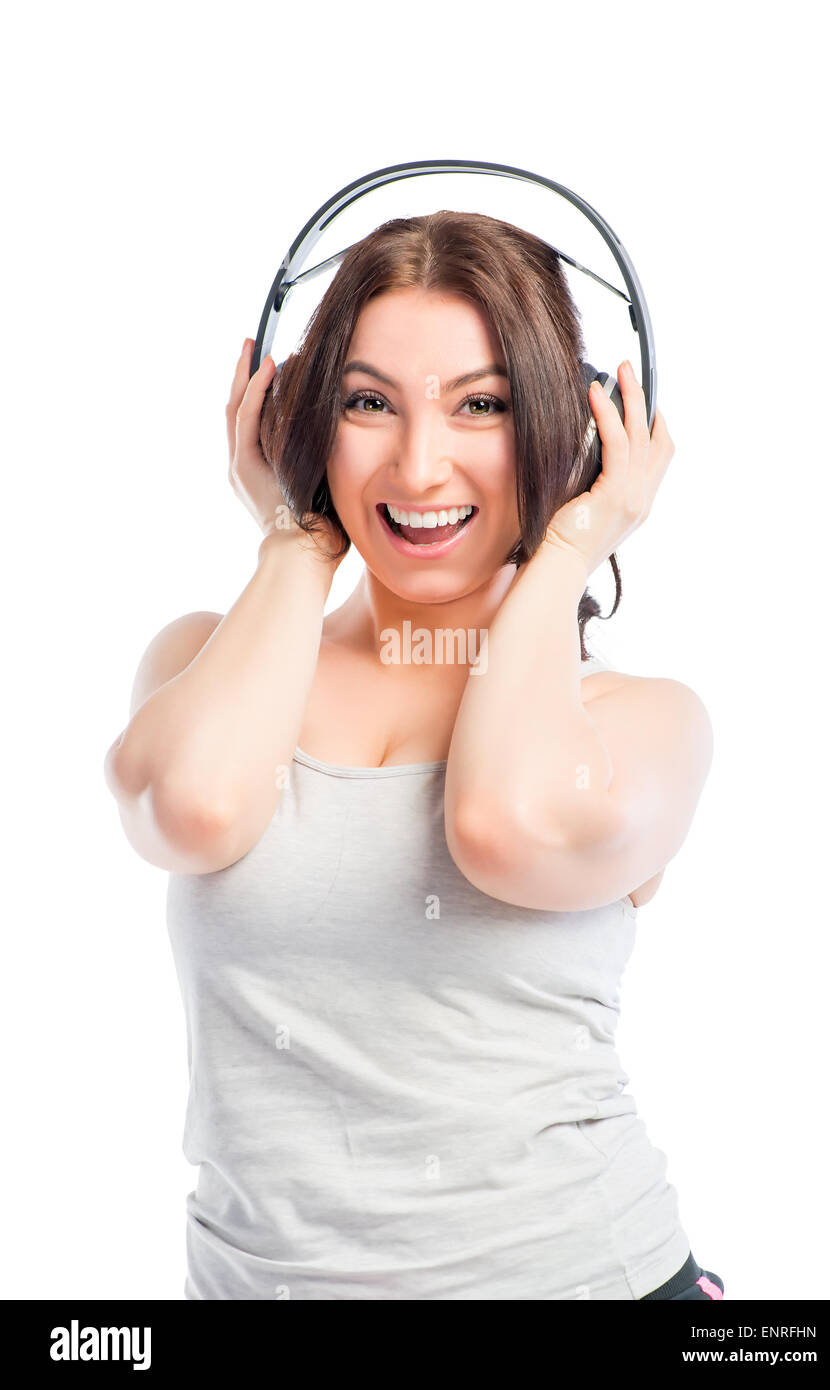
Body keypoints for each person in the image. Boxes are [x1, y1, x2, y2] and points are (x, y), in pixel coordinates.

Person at [103, 210, 721, 1300]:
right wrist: (296, 536)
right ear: (299, 417)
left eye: (480, 404)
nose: (419, 462)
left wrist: (572, 540)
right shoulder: (206, 659)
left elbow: (506, 826)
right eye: (367, 402)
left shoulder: (639, 723)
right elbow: (190, 811)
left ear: (568, 424)